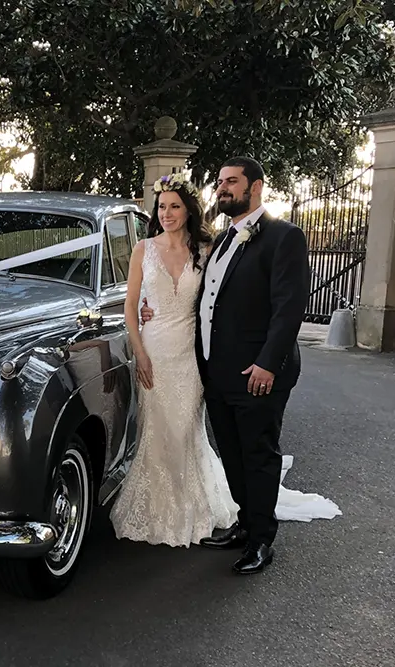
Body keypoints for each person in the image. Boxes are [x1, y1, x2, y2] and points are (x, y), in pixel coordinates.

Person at [138, 157, 340, 574]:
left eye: (232, 182)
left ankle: (262, 541)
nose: (223, 189)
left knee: (258, 453)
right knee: (231, 451)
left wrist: (268, 363)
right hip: (215, 371)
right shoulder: (220, 241)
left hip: (258, 373)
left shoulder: (284, 237)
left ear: (257, 187)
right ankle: (244, 524)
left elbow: (288, 309)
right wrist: (147, 309)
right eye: (220, 182)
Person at [109, 171, 239, 550]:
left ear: (188, 210)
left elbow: (218, 299)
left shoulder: (206, 249)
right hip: (154, 351)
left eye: (174, 206)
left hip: (191, 352)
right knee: (158, 429)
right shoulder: (143, 250)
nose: (166, 213)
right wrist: (140, 352)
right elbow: (130, 307)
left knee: (186, 429)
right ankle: (158, 508)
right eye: (162, 207)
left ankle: (192, 505)